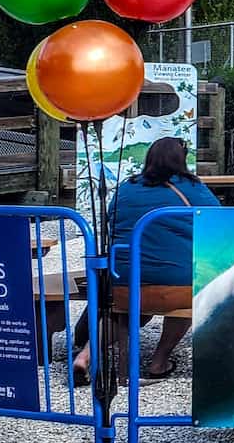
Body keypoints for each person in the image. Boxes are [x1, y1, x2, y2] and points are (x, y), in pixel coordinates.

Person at [73, 137, 220, 382]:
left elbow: (111, 223)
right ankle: (159, 362)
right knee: (186, 304)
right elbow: (219, 223)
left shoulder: (127, 188)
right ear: (181, 159)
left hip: (123, 282)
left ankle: (85, 356)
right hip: (176, 284)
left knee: (130, 310)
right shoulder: (192, 187)